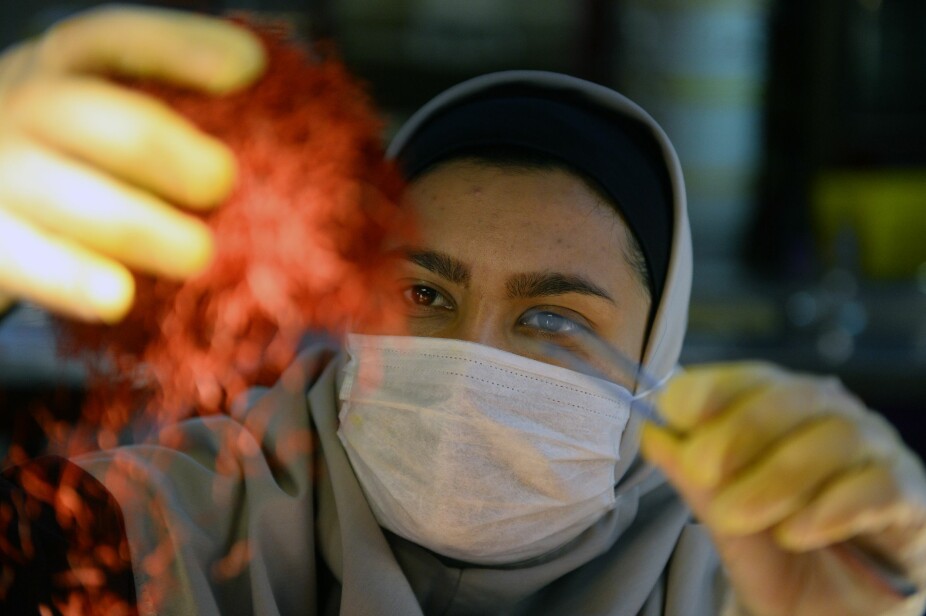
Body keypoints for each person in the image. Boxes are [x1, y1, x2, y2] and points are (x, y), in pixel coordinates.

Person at [1, 5, 925, 616]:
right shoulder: (168, 531)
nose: (472, 359)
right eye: (424, 295)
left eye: (554, 319)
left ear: (659, 351)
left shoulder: (759, 583)